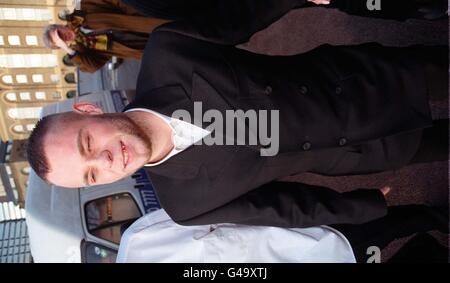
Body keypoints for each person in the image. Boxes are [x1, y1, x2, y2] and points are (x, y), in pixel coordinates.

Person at [28, 0, 448, 229]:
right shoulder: (185, 205)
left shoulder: (168, 52)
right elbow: (282, 208)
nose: (104, 161)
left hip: (368, 80)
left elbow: (239, 16)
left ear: (88, 109)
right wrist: (363, 206)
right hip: (368, 152)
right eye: (91, 176)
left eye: (88, 144)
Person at [116, 198, 448, 263]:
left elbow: (220, 209)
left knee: (384, 227)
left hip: (304, 239)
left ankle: (436, 217)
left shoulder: (141, 243)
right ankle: (429, 250)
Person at [42, 0, 169, 73]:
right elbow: (92, 67)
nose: (64, 37)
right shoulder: (84, 49)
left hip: (145, 21)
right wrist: (69, 50)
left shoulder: (82, 10)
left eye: (59, 33)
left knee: (181, 23)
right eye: (60, 41)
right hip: (146, 46)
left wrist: (139, 13)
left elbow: (116, 2)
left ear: (59, 25)